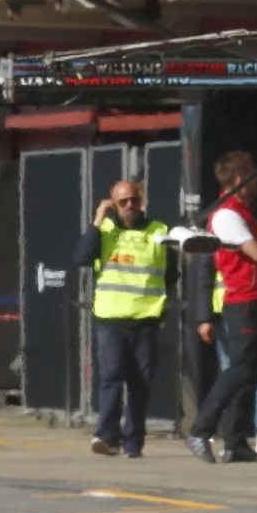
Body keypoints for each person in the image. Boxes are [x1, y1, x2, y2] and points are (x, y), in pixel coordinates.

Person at [187, 151, 257, 463]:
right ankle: (200, 429)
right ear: (239, 180)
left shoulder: (241, 212)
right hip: (242, 301)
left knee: (250, 370)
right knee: (240, 369)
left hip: (255, 299)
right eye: (253, 175)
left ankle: (235, 441)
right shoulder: (228, 214)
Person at [75, 180, 173, 459]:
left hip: (145, 319)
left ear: (141, 200)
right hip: (111, 318)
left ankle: (133, 442)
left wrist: (159, 306)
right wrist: (97, 220)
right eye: (123, 202)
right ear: (112, 204)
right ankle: (106, 436)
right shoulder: (104, 230)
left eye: (133, 200)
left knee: (140, 383)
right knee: (111, 379)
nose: (130, 206)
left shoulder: (159, 230)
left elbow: (172, 274)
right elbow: (81, 258)